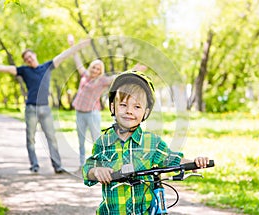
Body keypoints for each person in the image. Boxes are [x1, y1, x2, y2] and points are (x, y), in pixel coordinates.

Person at [82, 70, 210, 214]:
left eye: (137, 107)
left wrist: (194, 162)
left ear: (146, 112)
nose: (129, 111)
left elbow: (171, 159)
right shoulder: (103, 142)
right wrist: (96, 171)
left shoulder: (152, 142)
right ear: (113, 107)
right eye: (123, 105)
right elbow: (88, 168)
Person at [0, 40, 90, 174]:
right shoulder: (24, 70)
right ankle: (34, 165)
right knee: (30, 138)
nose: (29, 59)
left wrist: (77, 46)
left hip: (45, 108)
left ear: (34, 55)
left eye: (30, 56)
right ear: (25, 61)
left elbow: (63, 55)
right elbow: (5, 68)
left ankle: (57, 166)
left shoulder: (47, 67)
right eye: (26, 58)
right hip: (31, 109)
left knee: (51, 137)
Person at [67, 35, 148, 168]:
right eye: (94, 67)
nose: (95, 70)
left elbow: (120, 76)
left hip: (92, 113)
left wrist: (135, 69)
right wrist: (72, 45)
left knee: (97, 140)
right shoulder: (85, 75)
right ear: (91, 68)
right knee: (80, 140)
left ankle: (100, 164)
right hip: (79, 112)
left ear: (101, 71)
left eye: (98, 69)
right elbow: (77, 60)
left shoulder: (103, 80)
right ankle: (82, 165)